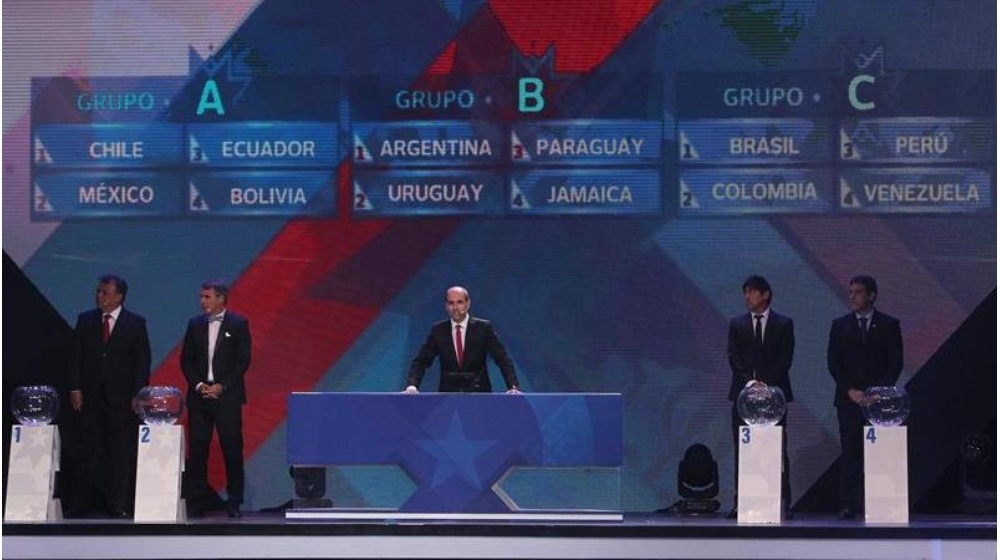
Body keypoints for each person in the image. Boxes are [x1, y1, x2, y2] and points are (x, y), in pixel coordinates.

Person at [67, 274, 151, 518]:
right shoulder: (86, 320)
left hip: (122, 400)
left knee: (120, 452)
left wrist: (138, 395)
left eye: (105, 292)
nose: (99, 296)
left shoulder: (135, 323)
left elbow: (142, 362)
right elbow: (75, 357)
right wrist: (75, 388)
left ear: (118, 296)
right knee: (86, 451)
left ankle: (118, 504)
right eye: (98, 291)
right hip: (90, 397)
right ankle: (80, 504)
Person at [827, 275, 903, 520]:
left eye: (858, 292)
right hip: (849, 400)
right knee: (851, 452)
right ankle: (848, 503)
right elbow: (833, 363)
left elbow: (895, 363)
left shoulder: (889, 325)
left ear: (872, 295)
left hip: (879, 402)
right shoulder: (840, 326)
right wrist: (851, 390)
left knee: (880, 453)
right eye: (850, 292)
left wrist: (877, 392)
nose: (852, 296)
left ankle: (881, 502)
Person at [180, 280, 252, 518]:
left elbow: (242, 360)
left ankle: (234, 500)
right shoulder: (194, 324)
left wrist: (223, 386)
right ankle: (197, 502)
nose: (202, 301)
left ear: (221, 298)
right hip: (199, 398)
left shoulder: (238, 324)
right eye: (201, 297)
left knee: (232, 448)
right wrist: (199, 385)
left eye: (207, 297)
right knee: (198, 450)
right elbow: (186, 360)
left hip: (227, 398)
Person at [726, 274, 794, 519]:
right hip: (743, 396)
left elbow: (785, 359)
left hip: (774, 397)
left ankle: (782, 502)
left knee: (776, 450)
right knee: (743, 450)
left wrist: (765, 385)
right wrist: (751, 383)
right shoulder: (737, 324)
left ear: (765, 294)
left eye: (752, 292)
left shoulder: (784, 324)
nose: (747, 296)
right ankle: (742, 501)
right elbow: (734, 357)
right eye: (745, 292)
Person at [404, 286, 521, 394]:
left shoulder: (483, 328)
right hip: (447, 396)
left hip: (479, 394)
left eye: (459, 302)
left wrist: (513, 386)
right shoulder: (438, 330)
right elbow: (422, 361)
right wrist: (412, 385)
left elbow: (502, 359)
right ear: (446, 306)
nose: (455, 307)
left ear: (468, 303)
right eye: (451, 303)